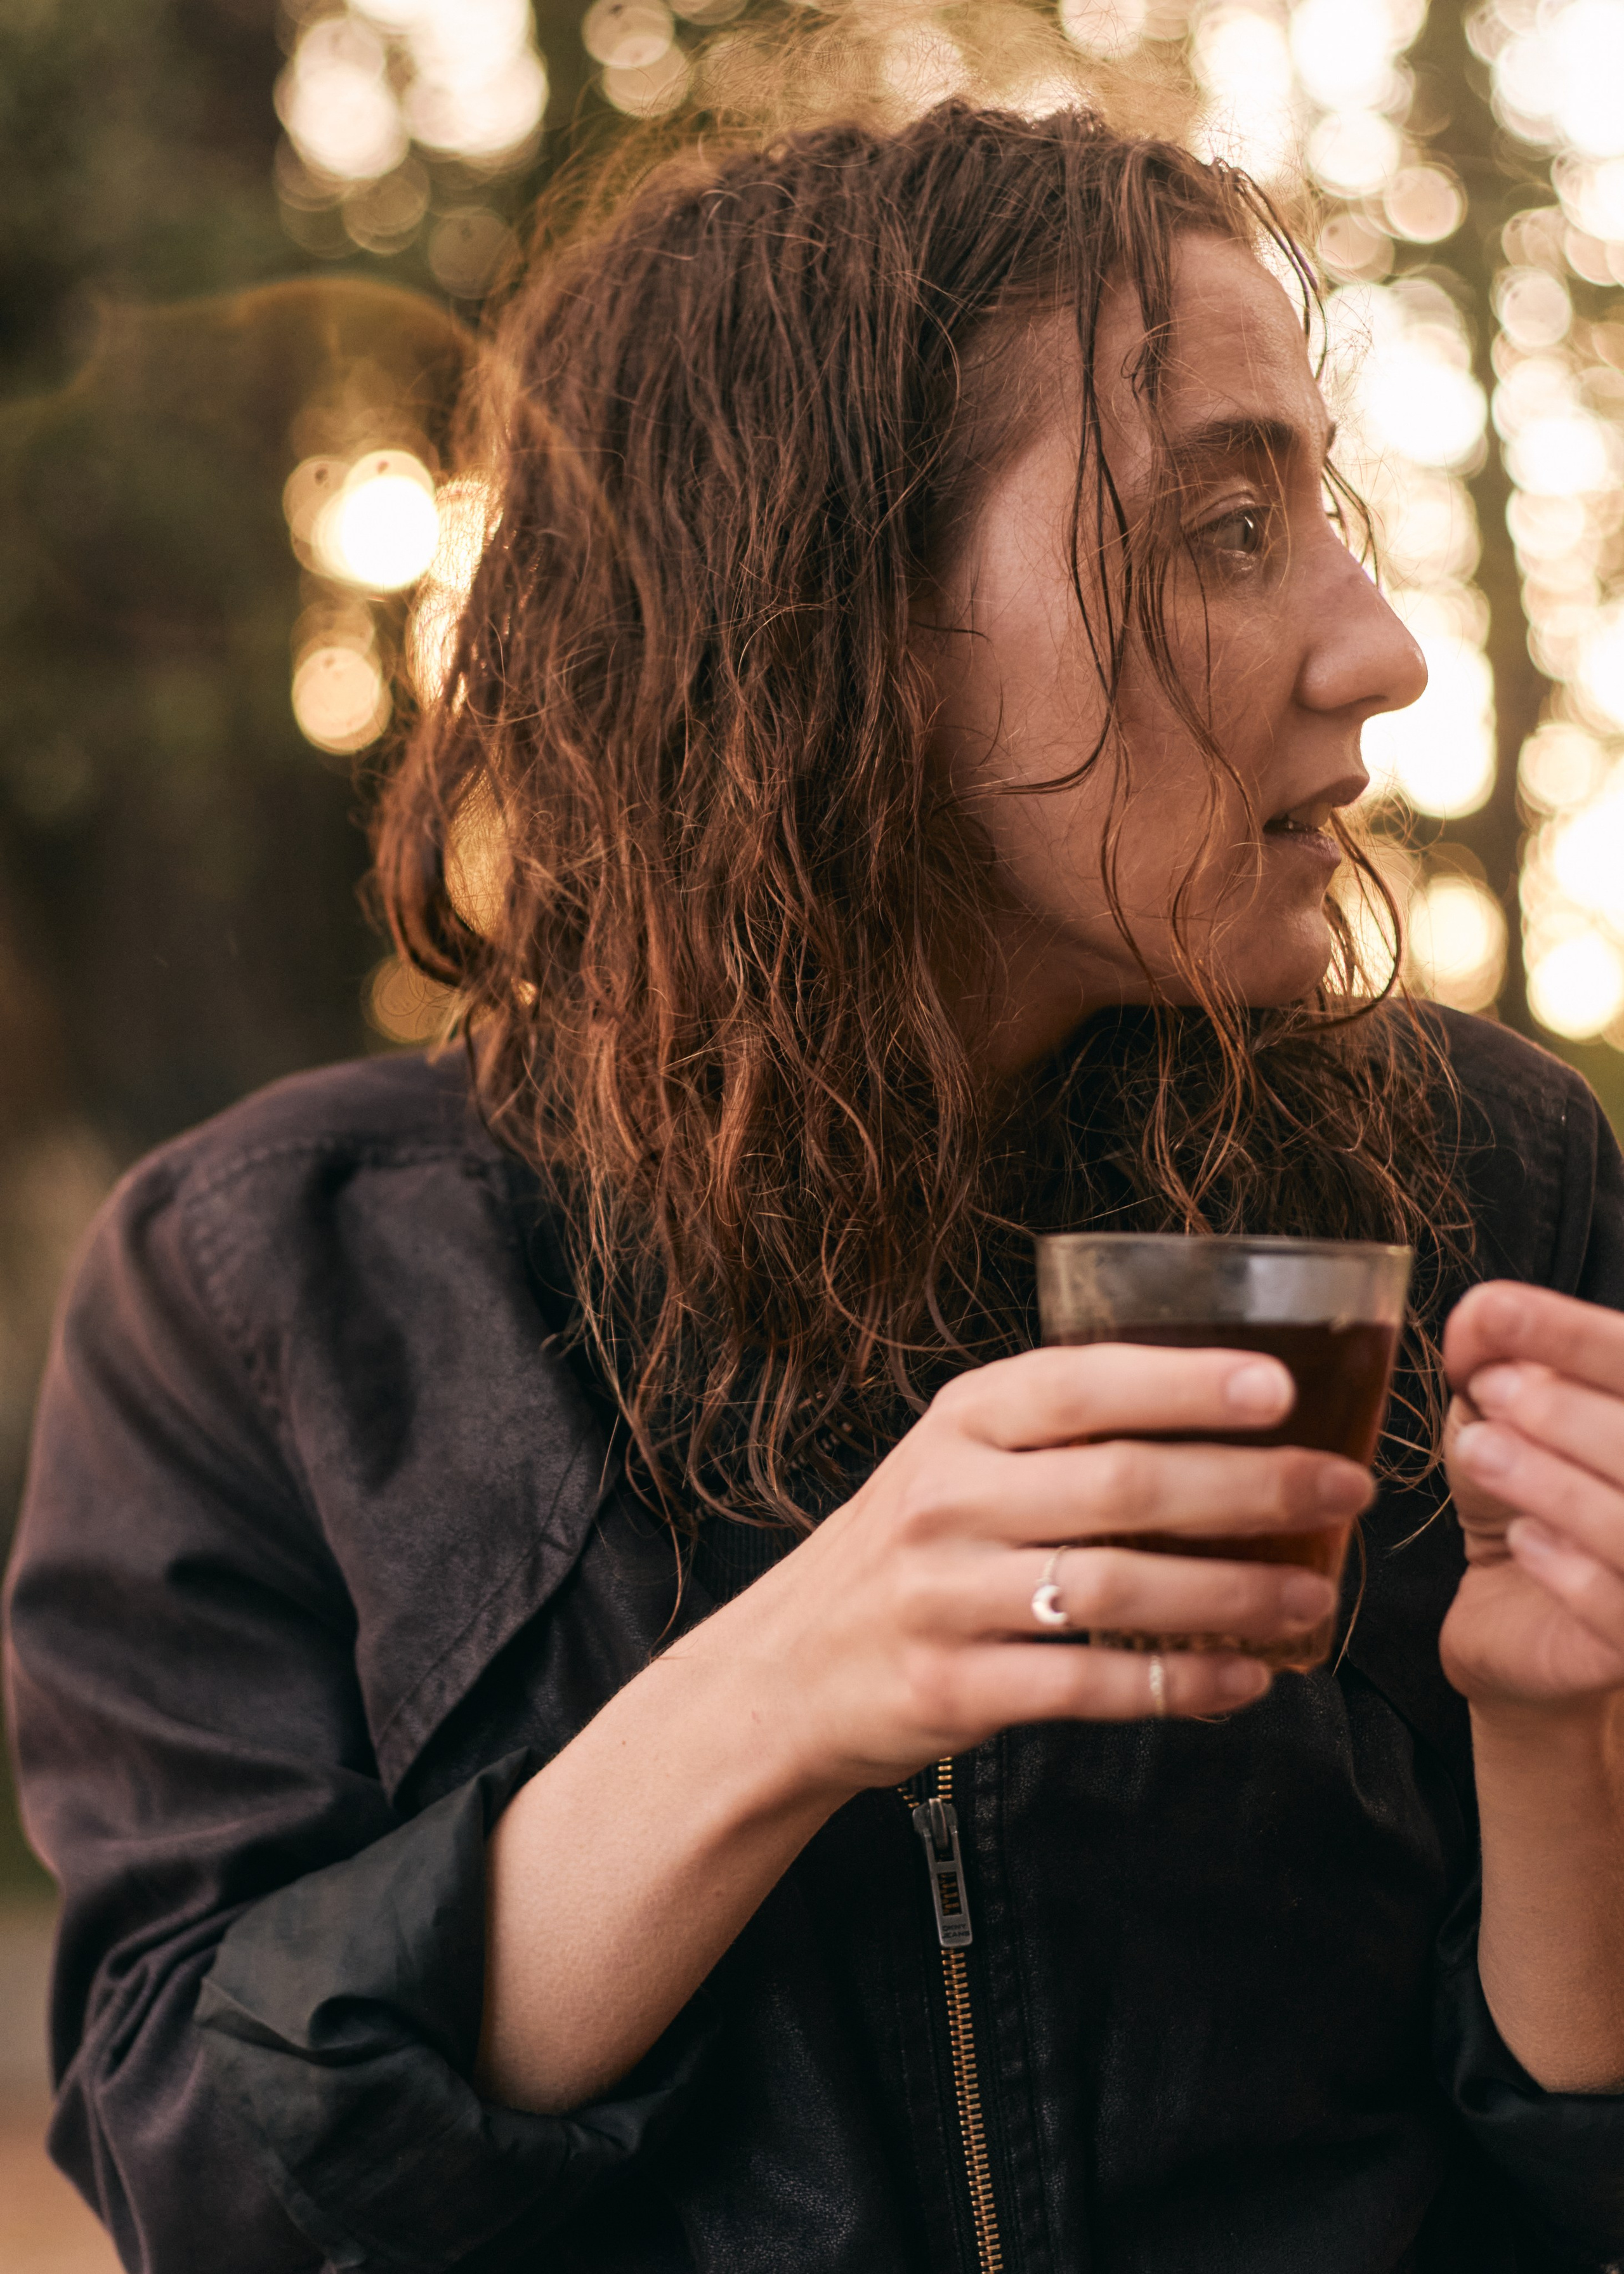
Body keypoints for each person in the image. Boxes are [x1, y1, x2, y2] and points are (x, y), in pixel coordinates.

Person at [6, 101, 1624, 2274]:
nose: (1377, 649)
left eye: (1316, 513)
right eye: (1229, 527)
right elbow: (205, 2186)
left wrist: (1561, 1745)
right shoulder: (269, 1288)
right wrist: (794, 1687)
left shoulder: (1486, 1175)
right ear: (837, 615)